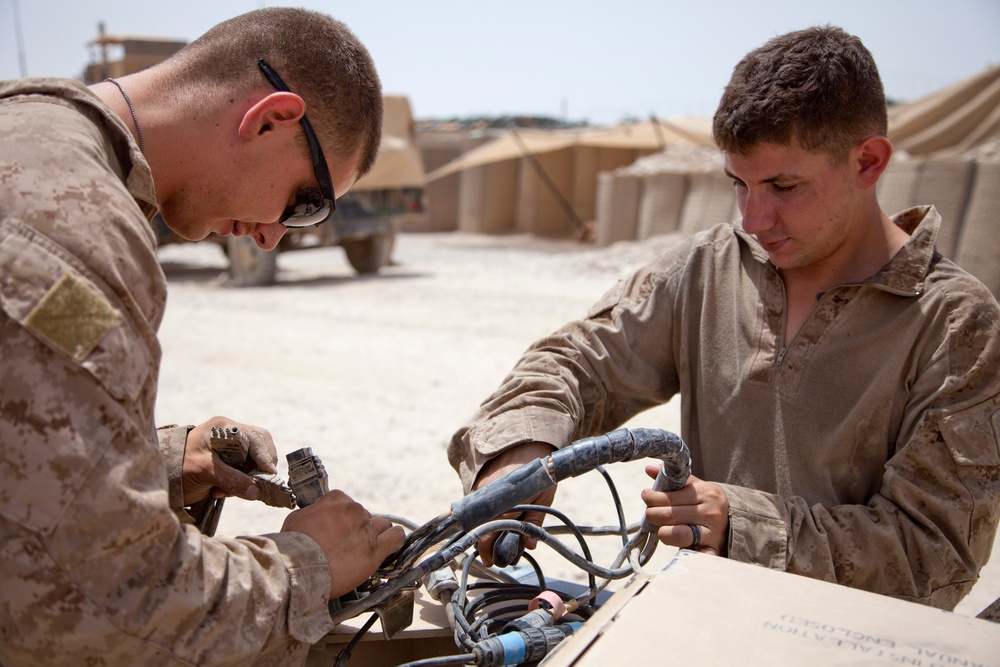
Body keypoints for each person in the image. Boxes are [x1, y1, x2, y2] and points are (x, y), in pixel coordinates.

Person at [449, 25, 1000, 610]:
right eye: (739, 183)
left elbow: (932, 557)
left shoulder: (956, 324)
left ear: (867, 162)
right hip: (698, 624)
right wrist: (523, 449)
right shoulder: (711, 266)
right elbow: (578, 360)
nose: (755, 217)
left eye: (783, 186)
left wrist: (739, 523)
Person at [0, 7, 404, 665]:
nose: (276, 234)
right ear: (270, 118)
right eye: (307, 203)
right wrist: (308, 563)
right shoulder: (69, 228)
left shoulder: (29, 148)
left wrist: (153, 463)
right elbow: (96, 604)